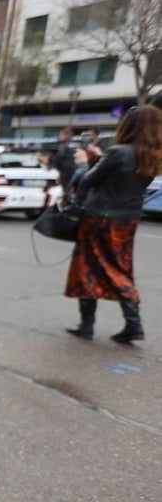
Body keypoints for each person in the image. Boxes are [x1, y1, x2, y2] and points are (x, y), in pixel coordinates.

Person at [64, 105, 162, 343]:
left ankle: (88, 324)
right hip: (128, 218)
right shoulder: (152, 155)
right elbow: (122, 178)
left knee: (87, 267)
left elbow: (88, 179)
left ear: (129, 125)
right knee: (120, 267)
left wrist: (83, 164)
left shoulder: (118, 151)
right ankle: (132, 323)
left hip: (99, 217)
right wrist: (100, 159)